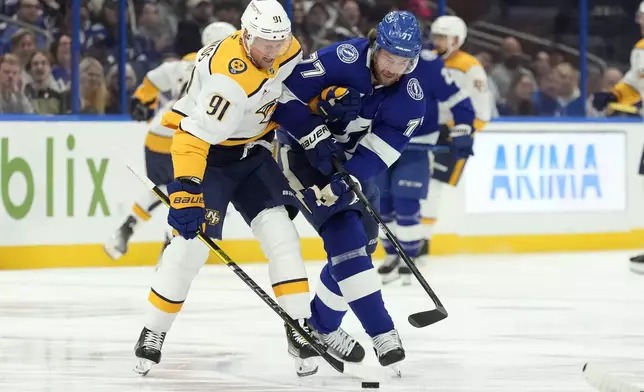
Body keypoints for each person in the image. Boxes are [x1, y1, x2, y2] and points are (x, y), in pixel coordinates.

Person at [132, 1, 316, 377]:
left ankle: (299, 327)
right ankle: (153, 330)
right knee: (188, 251)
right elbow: (191, 137)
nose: (273, 51)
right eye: (265, 43)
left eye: (279, 42)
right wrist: (185, 189)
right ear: (246, 36)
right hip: (211, 160)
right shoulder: (227, 80)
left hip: (253, 155)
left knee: (283, 237)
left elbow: (288, 92)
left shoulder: (288, 48)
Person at [274, 11, 425, 372]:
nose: (394, 68)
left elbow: (381, 149)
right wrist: (313, 132)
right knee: (346, 236)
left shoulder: (410, 96)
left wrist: (351, 178)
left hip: (349, 164)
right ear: (375, 47)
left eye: (405, 61)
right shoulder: (338, 59)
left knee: (364, 245)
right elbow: (282, 97)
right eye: (390, 57)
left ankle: (318, 329)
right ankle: (383, 333)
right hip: (299, 156)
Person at [104, 22, 236, 261]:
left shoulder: (184, 64)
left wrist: (144, 101)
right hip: (187, 142)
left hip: (158, 137)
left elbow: (153, 79)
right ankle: (169, 247)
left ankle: (129, 225)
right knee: (187, 196)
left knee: (164, 190)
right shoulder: (226, 70)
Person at [376, 44, 476, 285]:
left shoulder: (429, 64)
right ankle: (393, 254)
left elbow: (458, 99)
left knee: (405, 200)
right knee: (380, 203)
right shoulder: (371, 58)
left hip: (416, 144)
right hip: (376, 142)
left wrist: (463, 127)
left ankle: (409, 257)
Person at [418, 15, 493, 261]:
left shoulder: (470, 67)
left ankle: (424, 239)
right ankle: (412, 236)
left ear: (457, 40)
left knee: (434, 185)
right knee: (416, 183)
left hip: (451, 133)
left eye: (443, 37)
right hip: (423, 130)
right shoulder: (426, 60)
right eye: (436, 36)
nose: (437, 41)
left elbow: (482, 110)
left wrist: (464, 132)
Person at [592, 1, 644, 271]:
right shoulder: (641, 50)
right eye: (640, 18)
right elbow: (636, 82)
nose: (641, 22)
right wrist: (615, 94)